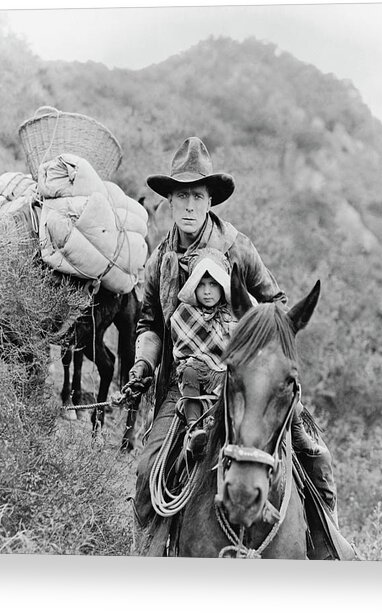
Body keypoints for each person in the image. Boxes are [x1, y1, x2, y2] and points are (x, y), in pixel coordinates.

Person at [126, 136, 336, 552]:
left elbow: (277, 303)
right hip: (183, 384)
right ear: (169, 200)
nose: (188, 205)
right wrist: (143, 366)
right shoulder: (158, 261)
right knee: (149, 471)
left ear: (209, 201)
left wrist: (252, 342)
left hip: (246, 382)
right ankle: (147, 560)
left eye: (197, 196)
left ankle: (327, 547)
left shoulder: (237, 247)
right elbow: (148, 322)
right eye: (181, 195)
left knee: (315, 458)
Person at [170, 248, 236, 456]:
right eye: (202, 285)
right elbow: (183, 350)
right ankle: (194, 429)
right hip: (197, 373)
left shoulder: (236, 314)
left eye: (213, 284)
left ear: (222, 286)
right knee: (189, 371)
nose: (207, 291)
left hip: (229, 374)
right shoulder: (185, 313)